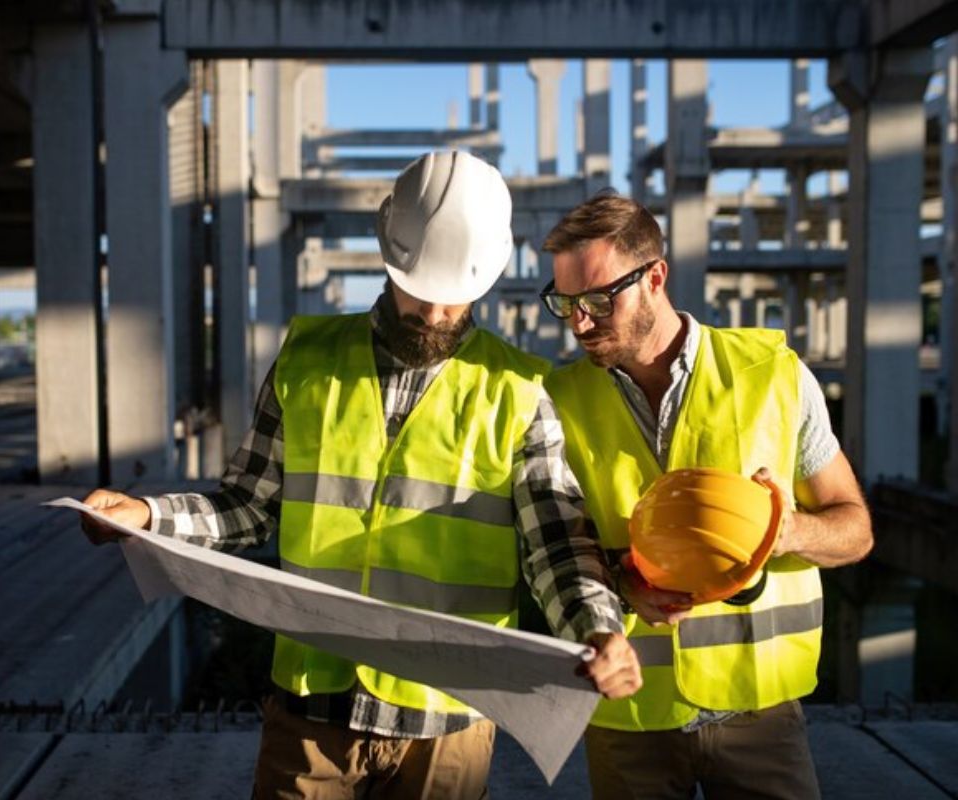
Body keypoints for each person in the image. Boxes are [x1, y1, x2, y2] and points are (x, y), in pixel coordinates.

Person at [79, 151, 641, 799]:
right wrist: (148, 517)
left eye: (452, 299)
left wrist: (598, 628)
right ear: (388, 252)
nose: (433, 315)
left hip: (449, 717)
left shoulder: (520, 389)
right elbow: (247, 507)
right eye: (419, 291)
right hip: (313, 705)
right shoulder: (306, 359)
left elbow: (556, 544)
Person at [539, 193, 873, 799]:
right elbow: (549, 550)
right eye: (564, 303)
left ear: (655, 278)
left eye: (594, 300)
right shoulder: (554, 401)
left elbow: (856, 529)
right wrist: (622, 584)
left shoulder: (774, 374)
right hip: (629, 714)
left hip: (760, 712)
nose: (578, 322)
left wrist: (786, 530)